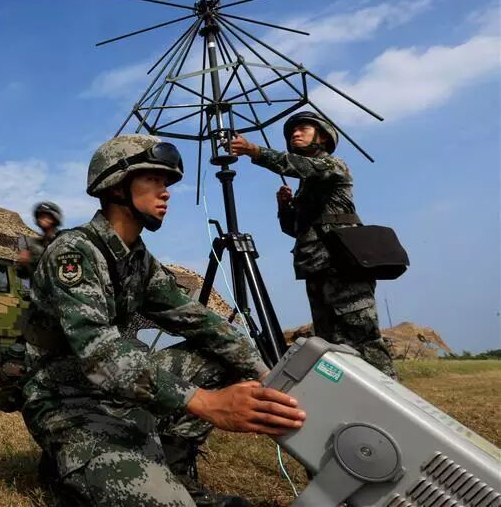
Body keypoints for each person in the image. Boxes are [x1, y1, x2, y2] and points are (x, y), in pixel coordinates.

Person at [20, 135, 306, 507]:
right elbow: (100, 354)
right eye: (153, 179)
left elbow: (200, 321)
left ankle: (173, 468)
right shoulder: (73, 253)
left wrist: (264, 372)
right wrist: (206, 402)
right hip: (66, 397)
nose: (166, 192)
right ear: (117, 187)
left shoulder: (138, 260)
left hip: (113, 390)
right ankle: (69, 457)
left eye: (166, 182)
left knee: (222, 356)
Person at [230, 111, 398, 379]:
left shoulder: (332, 165)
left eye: (303, 129)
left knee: (363, 337)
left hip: (344, 267)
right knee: (331, 342)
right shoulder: (306, 185)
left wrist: (253, 150)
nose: (295, 134)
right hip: (317, 269)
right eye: (292, 132)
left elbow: (297, 165)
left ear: (323, 137)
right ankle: (352, 394)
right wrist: (284, 207)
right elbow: (296, 230)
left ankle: (391, 393)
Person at [0, 202, 63, 413]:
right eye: (40, 216)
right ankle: (13, 394)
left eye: (47, 215)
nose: (43, 219)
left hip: (62, 308)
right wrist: (22, 263)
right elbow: (22, 274)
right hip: (37, 308)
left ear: (55, 218)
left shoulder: (64, 242)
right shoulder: (32, 245)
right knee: (17, 351)